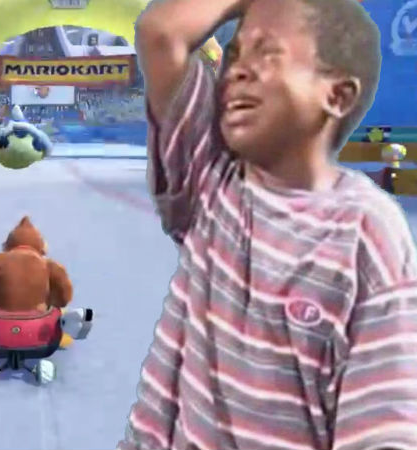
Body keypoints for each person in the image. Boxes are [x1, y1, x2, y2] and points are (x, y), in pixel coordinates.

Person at [119, 0, 417, 448]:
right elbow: (161, 32)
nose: (237, 70)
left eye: (268, 54)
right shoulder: (212, 184)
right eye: (235, 55)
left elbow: (383, 426)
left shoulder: (365, 233)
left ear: (337, 96)